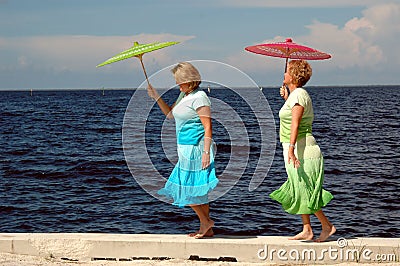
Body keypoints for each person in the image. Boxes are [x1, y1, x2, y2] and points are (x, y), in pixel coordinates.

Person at [147, 62, 219, 239]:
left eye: (180, 81)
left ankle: (206, 222)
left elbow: (208, 127)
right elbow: (170, 115)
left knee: (184, 187)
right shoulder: (183, 95)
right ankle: (206, 227)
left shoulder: (200, 97)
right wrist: (156, 97)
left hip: (198, 148)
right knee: (197, 189)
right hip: (184, 148)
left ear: (189, 80)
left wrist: (206, 153)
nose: (178, 85)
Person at [269, 60, 336, 242]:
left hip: (301, 148)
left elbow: (296, 125)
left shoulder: (298, 94)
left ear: (294, 75)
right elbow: (292, 117)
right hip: (294, 146)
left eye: (287, 70)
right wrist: (286, 98)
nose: (284, 73)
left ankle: (327, 226)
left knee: (305, 188)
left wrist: (291, 150)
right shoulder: (295, 95)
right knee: (298, 187)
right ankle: (307, 229)